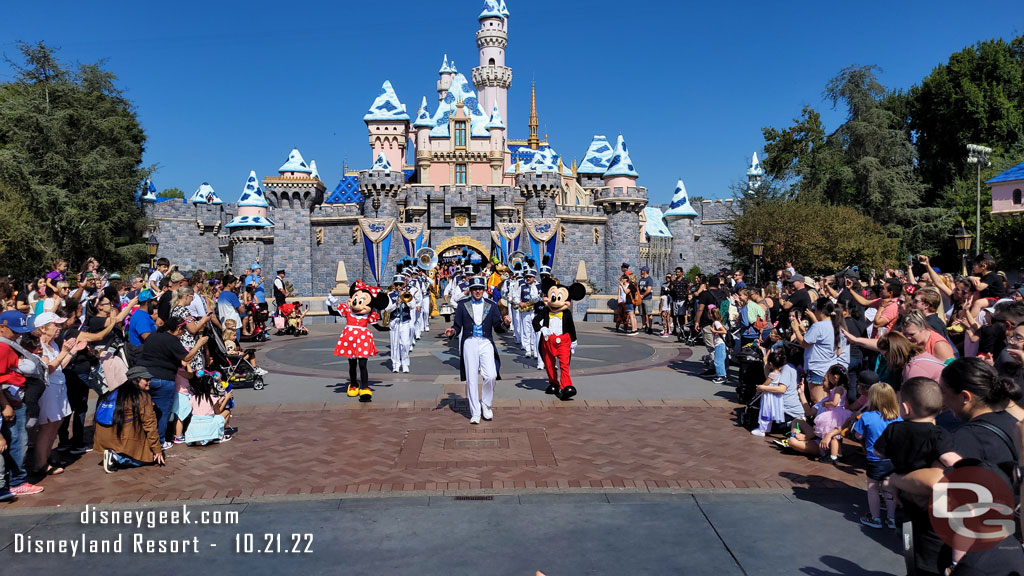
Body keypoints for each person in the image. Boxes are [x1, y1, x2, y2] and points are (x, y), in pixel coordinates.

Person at [444, 274, 512, 424]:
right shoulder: (462, 305)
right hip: (469, 342)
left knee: (491, 375)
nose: (477, 292)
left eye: (480, 289)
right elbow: (457, 325)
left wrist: (506, 324)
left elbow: (497, 327)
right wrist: (452, 332)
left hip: (485, 342)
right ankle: (475, 412)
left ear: (484, 290)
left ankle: (486, 404)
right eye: (474, 289)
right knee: (472, 378)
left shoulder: (491, 305)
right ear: (471, 290)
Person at [137, 314, 208, 447]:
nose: (182, 334)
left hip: (145, 377)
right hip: (163, 378)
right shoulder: (171, 339)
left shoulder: (153, 336)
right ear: (178, 329)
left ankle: (144, 439)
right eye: (182, 330)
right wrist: (199, 344)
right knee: (163, 411)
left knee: (146, 410)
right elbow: (186, 358)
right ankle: (160, 441)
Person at [30, 312, 81, 477]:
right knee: (47, 426)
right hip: (48, 388)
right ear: (43, 328)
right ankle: (40, 464)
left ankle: (47, 456)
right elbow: (48, 369)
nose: (59, 328)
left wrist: (72, 352)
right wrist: (63, 352)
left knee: (57, 423)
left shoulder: (54, 344)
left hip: (59, 386)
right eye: (55, 325)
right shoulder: (39, 346)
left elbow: (60, 366)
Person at [0, 310, 45, 496]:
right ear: (2, 327)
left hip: (15, 399)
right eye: (14, 330)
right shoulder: (2, 347)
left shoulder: (10, 344)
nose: (18, 334)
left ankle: (14, 479)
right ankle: (16, 481)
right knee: (17, 441)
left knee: (17, 440)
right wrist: (5, 405)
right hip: (10, 401)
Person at [94, 366, 165, 473]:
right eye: (146, 379)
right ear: (136, 380)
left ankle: (115, 452)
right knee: (150, 458)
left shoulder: (114, 392)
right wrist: (157, 450)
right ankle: (116, 457)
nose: (149, 382)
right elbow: (150, 424)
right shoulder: (142, 396)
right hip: (121, 437)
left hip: (103, 438)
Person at [851, 382, 901, 529]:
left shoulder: (866, 417)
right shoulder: (898, 417)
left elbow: (858, 436)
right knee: (889, 487)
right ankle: (891, 519)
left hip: (875, 458)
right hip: (892, 459)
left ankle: (875, 518)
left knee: (873, 487)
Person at [331, 281, 389, 402]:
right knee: (352, 365)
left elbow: (378, 327)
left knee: (363, 364)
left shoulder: (368, 316)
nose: (357, 304)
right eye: (355, 299)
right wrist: (329, 304)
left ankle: (365, 387)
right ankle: (353, 384)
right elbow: (332, 312)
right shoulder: (348, 312)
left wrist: (391, 328)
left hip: (362, 340)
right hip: (350, 341)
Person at [791, 298, 841, 403]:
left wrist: (795, 329)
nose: (814, 312)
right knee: (828, 399)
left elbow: (804, 343)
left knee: (818, 402)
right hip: (831, 368)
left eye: (815, 309)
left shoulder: (818, 326)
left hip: (817, 368)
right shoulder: (835, 325)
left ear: (821, 311)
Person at [751, 348, 804, 437]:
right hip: (786, 408)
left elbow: (781, 389)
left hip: (789, 411)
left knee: (767, 420)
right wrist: (765, 362)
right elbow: (770, 378)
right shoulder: (788, 367)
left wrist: (763, 387)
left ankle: (792, 424)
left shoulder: (787, 369)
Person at [709, 306, 727, 384]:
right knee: (720, 360)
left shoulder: (716, 322)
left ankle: (721, 376)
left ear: (712, 315)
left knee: (718, 361)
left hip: (719, 343)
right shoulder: (716, 322)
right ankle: (721, 375)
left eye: (709, 313)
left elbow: (724, 331)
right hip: (719, 343)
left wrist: (714, 331)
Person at [638, 267, 655, 334]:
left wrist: (643, 295)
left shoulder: (649, 279)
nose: (640, 271)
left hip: (647, 299)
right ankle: (644, 326)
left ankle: (650, 327)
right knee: (642, 313)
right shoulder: (641, 279)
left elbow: (649, 289)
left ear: (644, 271)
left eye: (642, 270)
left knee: (649, 313)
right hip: (640, 298)